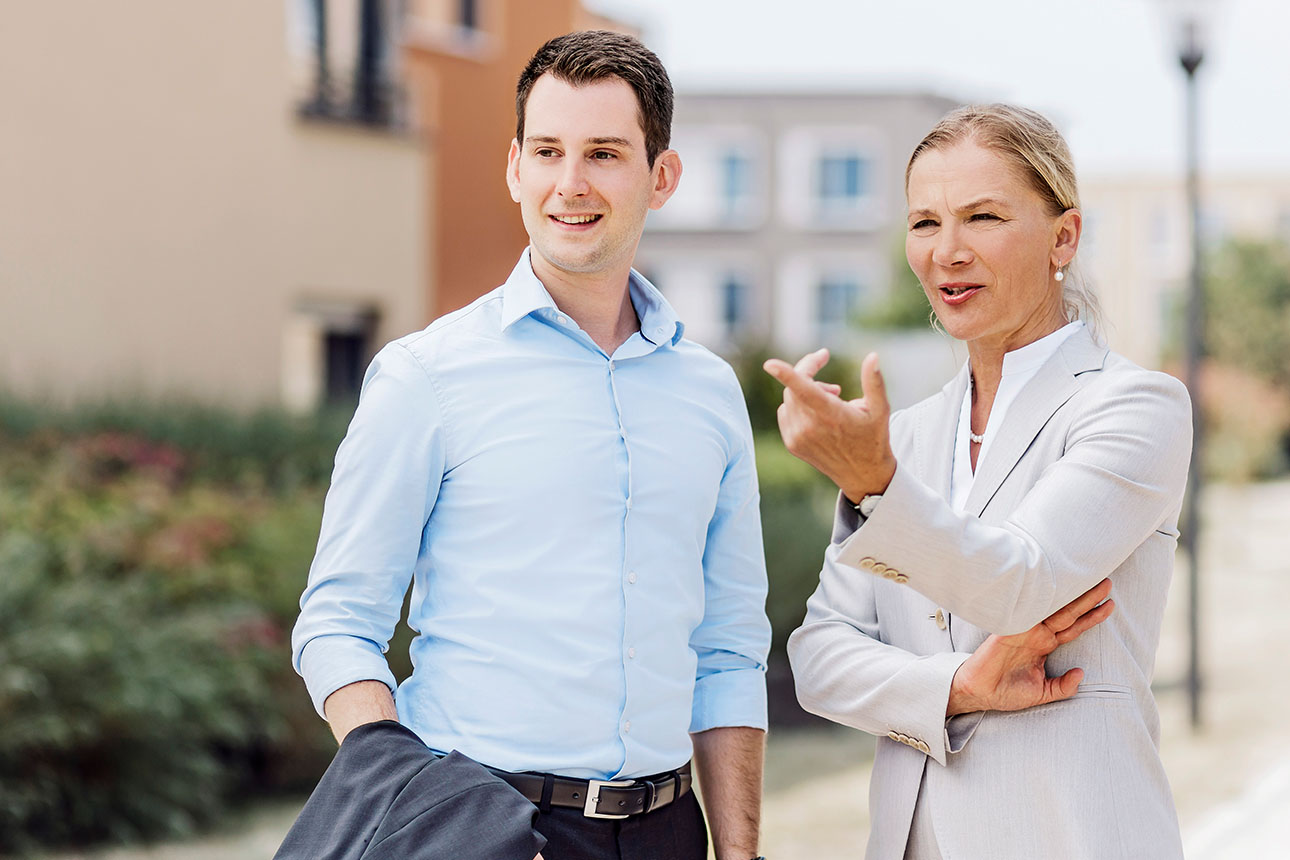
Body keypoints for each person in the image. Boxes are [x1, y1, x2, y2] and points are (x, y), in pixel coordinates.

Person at [289, 30, 771, 860]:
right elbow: (337, 625)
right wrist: (425, 804)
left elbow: (727, 650)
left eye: (604, 153)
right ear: (515, 167)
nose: (570, 184)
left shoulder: (710, 393)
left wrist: (740, 853)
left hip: (669, 833)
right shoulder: (426, 376)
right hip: (484, 826)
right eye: (547, 151)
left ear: (661, 177)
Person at [764, 104, 1191, 860]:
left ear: (1065, 236)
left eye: (982, 217)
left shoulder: (1133, 407)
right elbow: (820, 659)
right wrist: (957, 688)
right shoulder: (907, 436)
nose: (946, 252)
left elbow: (1020, 581)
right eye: (924, 224)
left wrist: (876, 485)